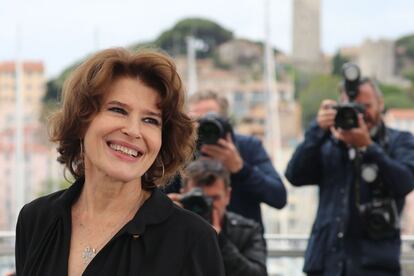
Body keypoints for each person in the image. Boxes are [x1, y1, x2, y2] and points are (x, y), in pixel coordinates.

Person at [15, 48, 225, 276]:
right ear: (82, 120)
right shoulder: (35, 219)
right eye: (118, 110)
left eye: (150, 120)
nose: (134, 131)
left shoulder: (192, 238)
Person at [285, 78, 414, 276]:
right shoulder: (328, 144)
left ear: (381, 104)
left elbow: (405, 182)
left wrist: (368, 147)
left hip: (375, 266)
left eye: (366, 106)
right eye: (352, 107)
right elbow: (294, 175)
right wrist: (317, 130)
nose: (360, 114)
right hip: (325, 263)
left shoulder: (399, 141)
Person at [166, 90, 287, 230]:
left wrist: (241, 168)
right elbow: (164, 195)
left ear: (224, 121)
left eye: (210, 120)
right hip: (193, 239)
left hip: (243, 243)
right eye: (197, 121)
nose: (204, 128)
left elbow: (278, 197)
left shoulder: (247, 147)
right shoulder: (181, 151)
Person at [181, 159, 268, 276]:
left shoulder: (247, 231)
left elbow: (258, 274)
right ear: (183, 194)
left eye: (215, 198)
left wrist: (220, 241)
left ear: (228, 195)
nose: (208, 205)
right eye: (200, 198)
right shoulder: (173, 228)